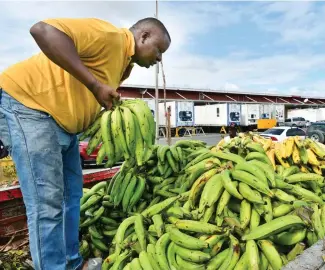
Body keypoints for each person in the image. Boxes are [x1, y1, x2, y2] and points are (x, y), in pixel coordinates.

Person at [0, 17, 171, 270]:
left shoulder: (124, 64)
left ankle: (71, 262)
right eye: (159, 50)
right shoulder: (109, 36)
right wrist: (95, 85)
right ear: (143, 36)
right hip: (30, 108)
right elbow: (42, 30)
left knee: (72, 196)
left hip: (64, 125)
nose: (159, 59)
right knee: (47, 202)